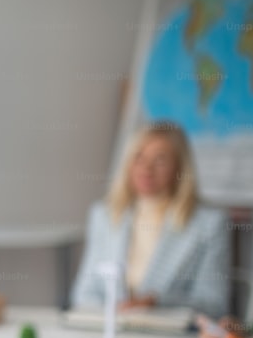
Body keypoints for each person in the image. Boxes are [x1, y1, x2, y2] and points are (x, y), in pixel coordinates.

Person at [70, 122, 230, 318]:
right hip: (113, 330)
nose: (146, 168)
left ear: (179, 166)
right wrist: (113, 315)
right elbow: (84, 293)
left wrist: (157, 301)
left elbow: (213, 304)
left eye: (160, 160)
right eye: (139, 157)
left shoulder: (209, 223)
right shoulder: (104, 215)